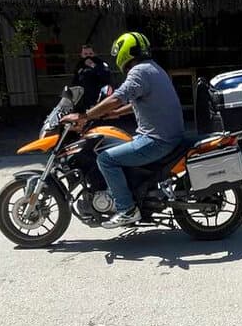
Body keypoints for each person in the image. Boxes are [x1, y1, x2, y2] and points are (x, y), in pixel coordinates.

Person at [62, 32, 185, 228]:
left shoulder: (139, 72)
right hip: (168, 136)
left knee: (106, 159)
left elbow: (118, 97)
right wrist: (115, 113)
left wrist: (85, 116)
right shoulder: (154, 69)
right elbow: (140, 100)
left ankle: (126, 209)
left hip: (157, 141)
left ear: (125, 51)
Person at [71, 44, 111, 112]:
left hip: (98, 97)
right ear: (81, 55)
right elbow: (75, 82)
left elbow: (106, 77)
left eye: (90, 53)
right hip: (83, 100)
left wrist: (93, 65)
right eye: (85, 54)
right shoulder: (79, 66)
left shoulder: (100, 64)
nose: (88, 56)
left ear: (94, 54)